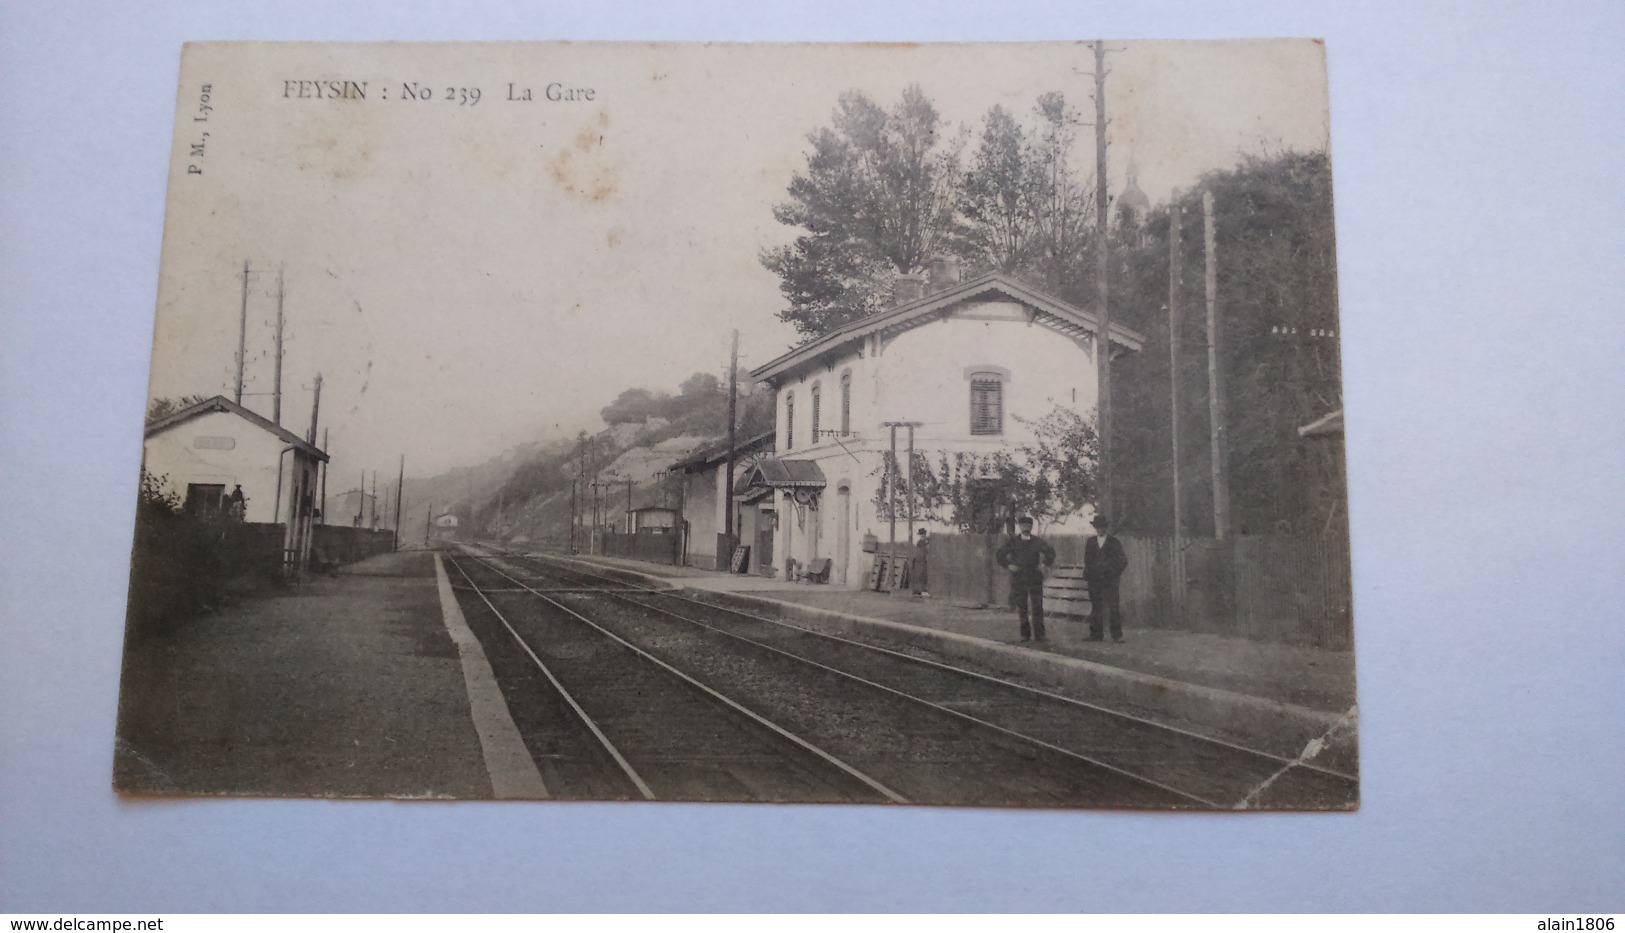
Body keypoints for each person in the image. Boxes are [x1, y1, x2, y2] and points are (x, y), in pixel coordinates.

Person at [996, 516, 1055, 641]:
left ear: (1031, 527)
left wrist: (1044, 564)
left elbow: (1050, 552)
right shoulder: (1013, 542)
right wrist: (1009, 565)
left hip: (1034, 576)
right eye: (1023, 526)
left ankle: (1040, 635)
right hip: (1019, 577)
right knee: (1022, 606)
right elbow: (1000, 554)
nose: (1026, 528)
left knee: (1037, 606)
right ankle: (1025, 634)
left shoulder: (1037, 541)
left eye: (1028, 526)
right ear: (1020, 527)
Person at [1084, 513, 1130, 642]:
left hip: (1110, 581)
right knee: (1096, 606)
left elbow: (1123, 561)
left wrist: (1112, 573)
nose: (1099, 529)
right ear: (1095, 528)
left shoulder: (1114, 542)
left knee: (1113, 607)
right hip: (1095, 580)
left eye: (1102, 527)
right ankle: (1096, 635)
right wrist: (1089, 573)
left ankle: (1117, 635)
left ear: (1106, 527)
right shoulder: (1090, 542)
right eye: (1097, 527)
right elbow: (1087, 560)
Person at [910, 528, 930, 597]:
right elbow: (921, 552)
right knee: (920, 575)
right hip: (920, 560)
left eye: (923, 534)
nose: (922, 536)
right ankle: (920, 590)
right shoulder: (920, 543)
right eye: (921, 534)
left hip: (923, 560)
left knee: (924, 575)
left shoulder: (926, 542)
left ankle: (921, 590)